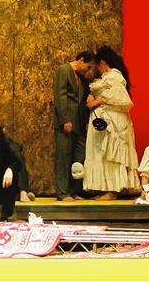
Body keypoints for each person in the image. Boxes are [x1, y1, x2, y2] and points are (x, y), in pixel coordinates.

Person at [82, 45, 140, 200]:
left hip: (112, 120)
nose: (96, 68)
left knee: (111, 154)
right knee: (101, 154)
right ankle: (105, 188)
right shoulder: (105, 78)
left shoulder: (115, 75)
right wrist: (91, 97)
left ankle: (113, 189)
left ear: (102, 62)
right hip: (103, 118)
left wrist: (97, 101)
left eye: (97, 64)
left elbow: (119, 96)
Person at [53, 51, 94, 201]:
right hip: (67, 121)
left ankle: (73, 191)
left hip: (79, 122)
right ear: (81, 60)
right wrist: (64, 119)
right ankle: (62, 193)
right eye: (87, 66)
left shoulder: (81, 78)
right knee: (64, 157)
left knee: (78, 157)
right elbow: (60, 96)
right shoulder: (64, 70)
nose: (88, 70)